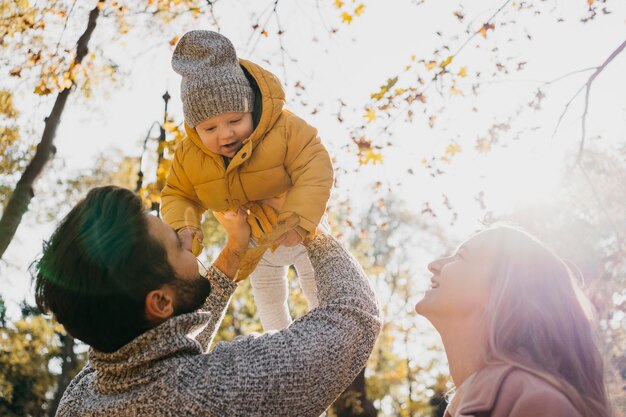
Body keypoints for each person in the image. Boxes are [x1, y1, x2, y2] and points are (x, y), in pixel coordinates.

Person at [33, 186, 381, 417]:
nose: (188, 242)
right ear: (159, 302)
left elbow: (156, 354)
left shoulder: (80, 398)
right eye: (175, 243)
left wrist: (232, 254)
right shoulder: (220, 391)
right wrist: (305, 225)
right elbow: (353, 317)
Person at [160, 30, 334, 332]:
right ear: (194, 127)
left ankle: (329, 340)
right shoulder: (189, 155)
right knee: (269, 301)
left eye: (235, 121)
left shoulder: (284, 128)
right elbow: (178, 194)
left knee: (320, 290)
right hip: (255, 240)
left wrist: (301, 217)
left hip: (302, 229)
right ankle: (282, 349)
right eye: (210, 128)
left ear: (250, 108)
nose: (225, 134)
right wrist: (185, 227)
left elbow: (314, 164)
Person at [415, 225, 613, 417]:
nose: (433, 265)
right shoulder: (489, 401)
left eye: (460, 256)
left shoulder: (537, 404)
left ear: (502, 292)